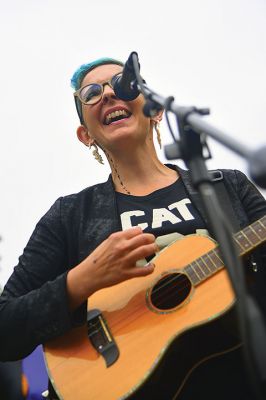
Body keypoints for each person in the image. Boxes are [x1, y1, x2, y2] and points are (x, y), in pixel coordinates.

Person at [0, 56, 266, 400]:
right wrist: (80, 282)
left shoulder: (227, 187)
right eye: (91, 94)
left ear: (156, 110)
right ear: (85, 136)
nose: (108, 94)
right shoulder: (70, 215)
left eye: (121, 82)